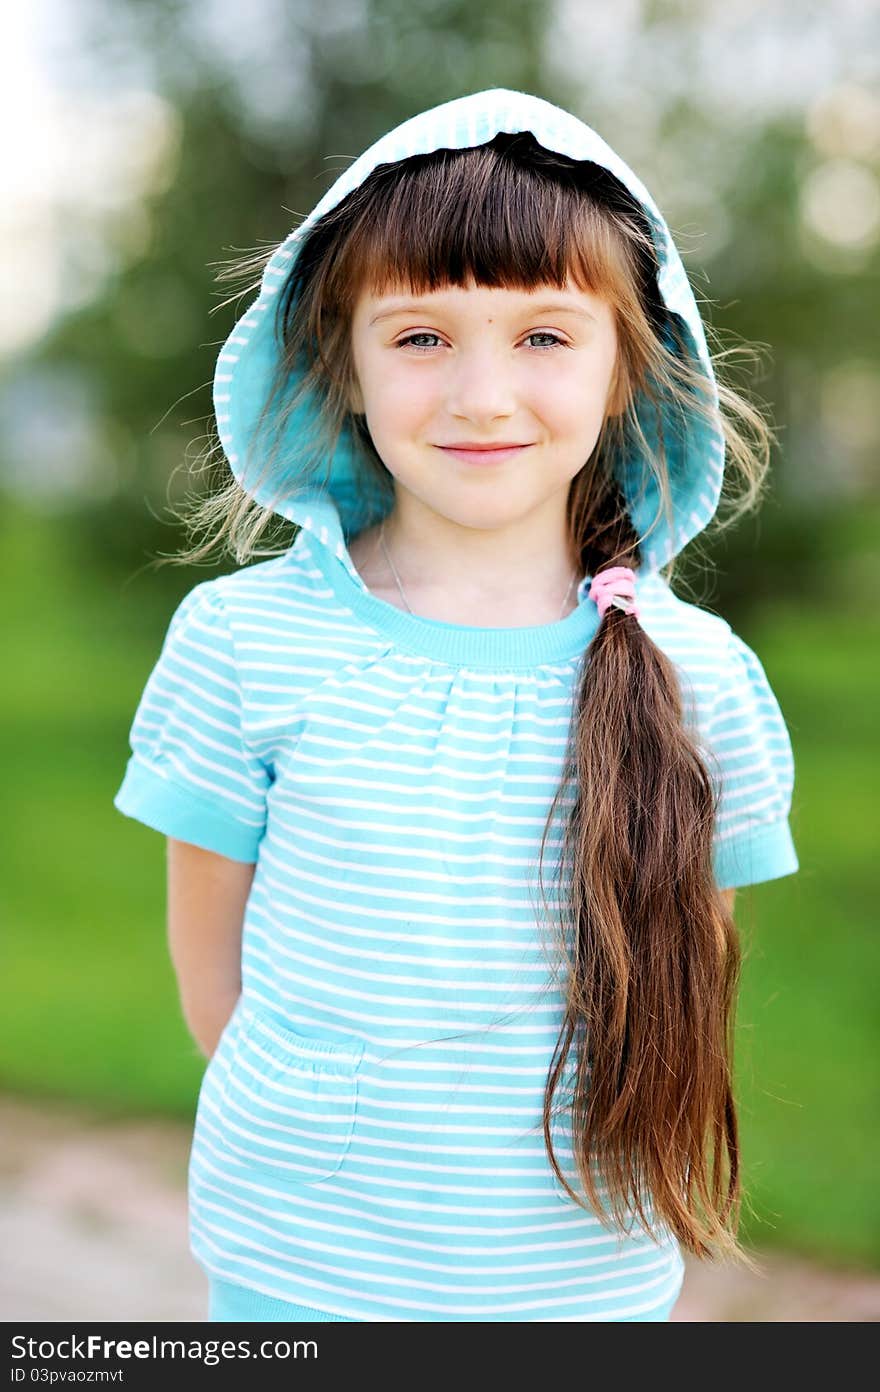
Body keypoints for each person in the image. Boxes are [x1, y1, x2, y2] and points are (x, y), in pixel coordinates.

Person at [113, 87, 799, 1323]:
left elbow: (691, 982)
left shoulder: (702, 680)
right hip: (300, 1265)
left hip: (580, 1280)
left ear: (624, 368)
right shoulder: (242, 641)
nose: (482, 394)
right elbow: (212, 973)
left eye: (544, 337)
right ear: (343, 363)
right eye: (421, 337)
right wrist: (319, 1117)